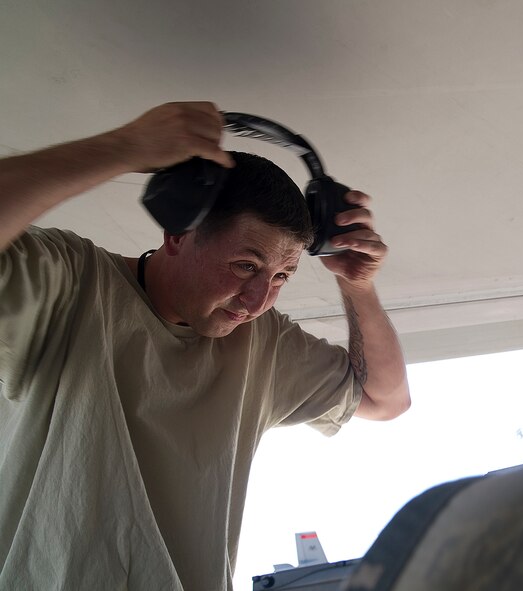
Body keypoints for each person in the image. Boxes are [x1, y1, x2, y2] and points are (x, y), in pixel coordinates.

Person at [0, 102, 410, 590]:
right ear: (178, 234)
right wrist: (122, 148)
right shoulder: (69, 284)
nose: (258, 300)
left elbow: (384, 399)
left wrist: (358, 287)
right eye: (244, 265)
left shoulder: (265, 344)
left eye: (281, 276)